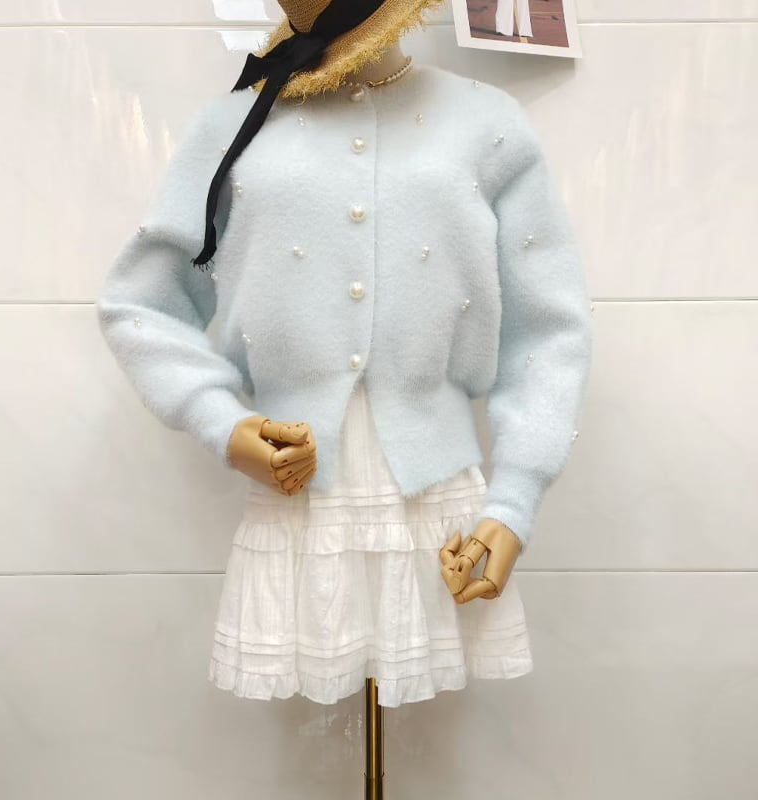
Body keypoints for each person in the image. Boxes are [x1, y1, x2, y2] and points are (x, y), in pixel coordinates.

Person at [96, 0, 593, 708]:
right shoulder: (236, 127)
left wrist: (514, 499)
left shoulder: (487, 125)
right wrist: (220, 422)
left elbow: (548, 329)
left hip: (445, 504)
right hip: (294, 491)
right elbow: (141, 303)